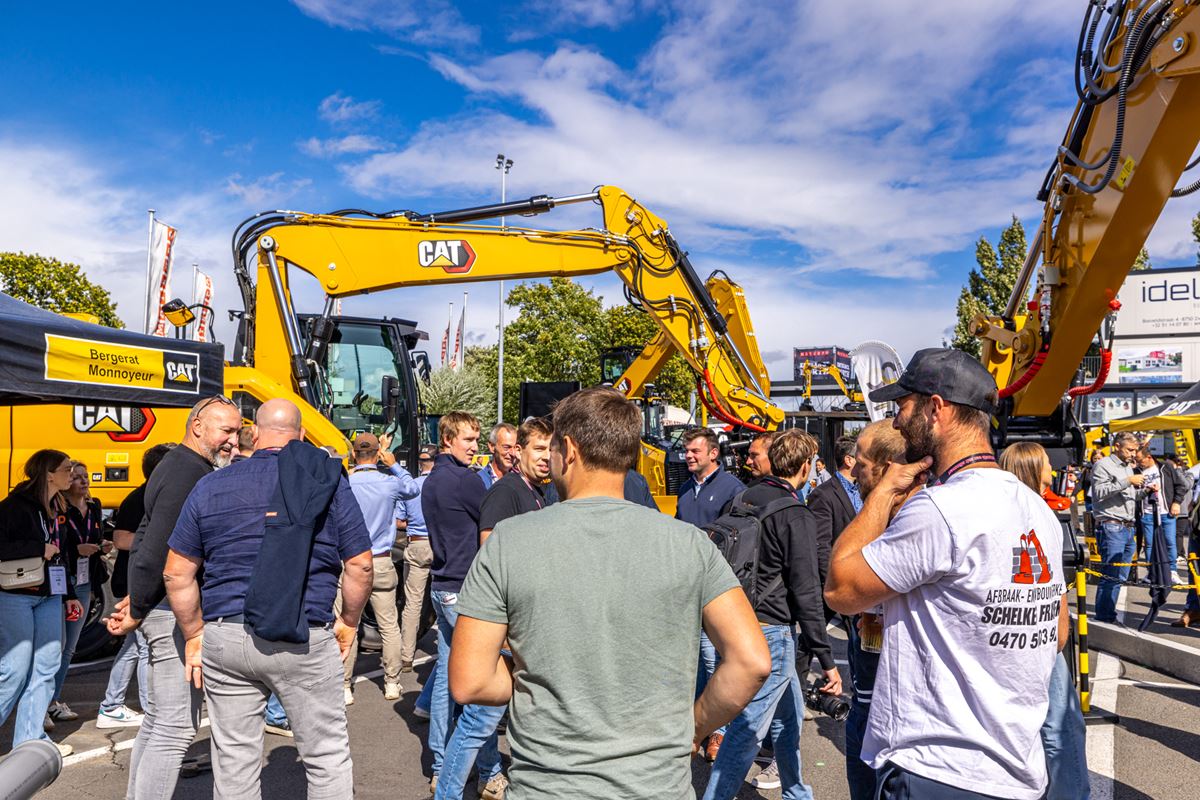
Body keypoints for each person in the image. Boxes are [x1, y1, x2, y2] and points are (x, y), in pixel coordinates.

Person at [449, 387, 771, 799]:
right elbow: (752, 661)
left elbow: (471, 680)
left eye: (554, 448)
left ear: (569, 450)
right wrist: (694, 727)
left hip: (548, 787)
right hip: (658, 787)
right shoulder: (690, 544)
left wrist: (544, 678)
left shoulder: (508, 541)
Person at [826, 347, 1068, 800]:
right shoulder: (1037, 510)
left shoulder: (939, 508)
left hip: (938, 768)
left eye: (903, 407)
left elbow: (840, 588)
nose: (897, 422)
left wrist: (884, 491)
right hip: (1017, 770)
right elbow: (1056, 633)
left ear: (935, 409)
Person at [162, 398, 373, 798]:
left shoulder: (210, 485)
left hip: (226, 634)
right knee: (325, 755)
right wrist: (348, 621)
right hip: (303, 633)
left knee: (234, 760)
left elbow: (176, 572)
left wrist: (193, 633)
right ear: (302, 435)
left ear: (254, 434)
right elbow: (360, 565)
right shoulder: (327, 482)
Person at [107, 394, 242, 800]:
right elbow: (157, 549)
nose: (233, 441)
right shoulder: (188, 472)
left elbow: (146, 537)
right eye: (226, 431)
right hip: (171, 612)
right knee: (176, 726)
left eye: (237, 432)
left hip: (160, 607)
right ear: (197, 426)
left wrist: (138, 599)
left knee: (159, 722)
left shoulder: (181, 465)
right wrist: (140, 605)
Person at [702, 429, 840, 800]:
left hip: (735, 620)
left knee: (788, 718)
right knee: (747, 731)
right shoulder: (795, 513)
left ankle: (796, 791)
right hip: (772, 630)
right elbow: (806, 591)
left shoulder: (743, 498)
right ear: (806, 466)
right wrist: (827, 660)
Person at [435, 417, 555, 800]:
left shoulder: (537, 492)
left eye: (550, 449)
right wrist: (505, 625)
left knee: (486, 714)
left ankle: (489, 777)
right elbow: (491, 555)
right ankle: (447, 792)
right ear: (518, 451)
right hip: (505, 620)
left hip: (519, 621)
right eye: (538, 448)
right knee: (479, 718)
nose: (546, 457)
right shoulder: (506, 492)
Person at [1000, 442, 1090, 800]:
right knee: (1062, 727)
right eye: (1046, 464)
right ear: (1033, 469)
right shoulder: (1040, 514)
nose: (1052, 469)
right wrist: (1058, 634)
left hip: (1013, 633)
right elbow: (1053, 584)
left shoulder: (999, 512)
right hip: (1036, 633)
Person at [423, 411, 499, 794]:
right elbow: (492, 518)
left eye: (476, 439)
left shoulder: (431, 480)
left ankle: (440, 763)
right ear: (448, 439)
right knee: (483, 684)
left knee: (445, 679)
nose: (474, 447)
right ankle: (489, 770)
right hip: (463, 587)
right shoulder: (464, 480)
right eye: (468, 440)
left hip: (441, 584)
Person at [838, 421, 906, 800]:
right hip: (867, 688)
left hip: (893, 706)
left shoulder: (909, 521)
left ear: (886, 468)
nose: (854, 473)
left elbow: (839, 588)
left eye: (861, 465)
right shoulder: (880, 516)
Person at [0, 449, 80, 756]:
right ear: (48, 474)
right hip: (15, 595)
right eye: (66, 468)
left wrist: (69, 595)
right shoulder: (14, 506)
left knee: (47, 666)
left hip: (50, 595)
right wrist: (37, 548)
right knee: (14, 670)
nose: (71, 473)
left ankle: (30, 742)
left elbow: (61, 555)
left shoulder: (56, 506)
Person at [675, 426, 746, 760]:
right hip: (686, 588)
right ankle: (696, 725)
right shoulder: (685, 488)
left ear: (713, 454)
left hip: (714, 588)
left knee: (713, 659)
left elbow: (737, 539)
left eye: (695, 451)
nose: (688, 456)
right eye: (687, 451)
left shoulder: (733, 489)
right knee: (693, 662)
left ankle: (718, 731)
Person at [338, 431, 420, 704]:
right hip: (381, 559)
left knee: (348, 622)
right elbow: (412, 489)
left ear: (354, 454)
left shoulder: (346, 482)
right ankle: (392, 682)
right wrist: (393, 464)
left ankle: (344, 685)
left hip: (351, 560)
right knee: (388, 625)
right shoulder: (389, 483)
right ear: (377, 455)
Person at [99, 444, 175, 729]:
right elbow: (120, 539)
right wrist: (160, 542)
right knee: (145, 648)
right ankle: (150, 710)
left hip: (141, 582)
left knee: (133, 647)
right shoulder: (139, 497)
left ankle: (111, 704)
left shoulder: (155, 494)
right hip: (133, 583)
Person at [48, 460, 112, 726]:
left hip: (85, 582)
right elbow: (56, 545)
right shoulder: (58, 509)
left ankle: (53, 700)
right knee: (55, 644)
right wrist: (77, 551)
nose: (83, 481)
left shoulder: (94, 506)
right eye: (76, 477)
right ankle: (42, 703)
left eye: (85, 476)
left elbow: (94, 536)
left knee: (70, 647)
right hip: (63, 581)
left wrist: (101, 544)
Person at [1090, 432, 1144, 623]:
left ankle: (1108, 613)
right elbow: (1099, 492)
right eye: (1130, 450)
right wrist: (1128, 481)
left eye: (1135, 450)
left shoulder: (1127, 467)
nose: (1133, 454)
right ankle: (1104, 616)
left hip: (1128, 527)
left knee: (1121, 575)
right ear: (1117, 446)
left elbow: (1129, 496)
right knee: (1111, 574)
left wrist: (1145, 491)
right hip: (1111, 525)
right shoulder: (1103, 465)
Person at [399, 445, 437, 676]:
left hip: (416, 543)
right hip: (440, 544)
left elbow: (398, 521)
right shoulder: (442, 485)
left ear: (421, 463)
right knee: (447, 596)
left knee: (412, 602)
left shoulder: (410, 486)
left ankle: (406, 656)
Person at [806, 435, 860, 590]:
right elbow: (821, 546)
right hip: (841, 583)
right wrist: (834, 585)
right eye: (861, 457)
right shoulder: (823, 494)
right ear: (849, 460)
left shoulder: (864, 489)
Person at [1134, 446, 1185, 582]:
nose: (1138, 463)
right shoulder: (1136, 471)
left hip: (1166, 512)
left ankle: (1172, 571)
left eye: (1140, 460)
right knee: (1149, 544)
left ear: (1149, 457)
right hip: (1147, 512)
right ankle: (1152, 572)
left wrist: (1176, 502)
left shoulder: (1165, 467)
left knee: (1170, 542)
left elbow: (1181, 485)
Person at [478, 423, 517, 490]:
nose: (513, 453)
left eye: (515, 448)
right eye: (506, 447)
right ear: (492, 447)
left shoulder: (520, 480)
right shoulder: (479, 481)